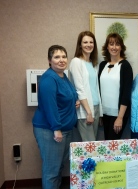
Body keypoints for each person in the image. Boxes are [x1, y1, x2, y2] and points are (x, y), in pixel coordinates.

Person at [32, 45, 80, 189]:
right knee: (51, 171)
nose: (61, 60)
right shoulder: (48, 79)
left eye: (64, 56)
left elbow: (68, 94)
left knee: (58, 167)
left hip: (64, 129)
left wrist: (75, 101)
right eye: (57, 57)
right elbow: (50, 106)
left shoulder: (63, 76)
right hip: (50, 130)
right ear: (49, 60)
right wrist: (56, 129)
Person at [98, 33, 133, 140]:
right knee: (106, 142)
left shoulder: (125, 66)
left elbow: (126, 94)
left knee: (112, 145)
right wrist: (100, 114)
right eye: (111, 44)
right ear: (107, 46)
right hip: (104, 113)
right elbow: (99, 89)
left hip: (118, 114)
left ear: (121, 47)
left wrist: (120, 118)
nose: (114, 47)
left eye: (117, 44)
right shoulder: (103, 65)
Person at [69, 31, 103, 141]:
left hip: (96, 107)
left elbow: (95, 88)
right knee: (90, 146)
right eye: (85, 42)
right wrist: (88, 112)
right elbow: (80, 89)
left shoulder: (93, 64)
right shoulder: (76, 62)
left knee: (93, 145)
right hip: (85, 110)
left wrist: (99, 112)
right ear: (80, 45)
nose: (88, 45)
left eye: (91, 42)